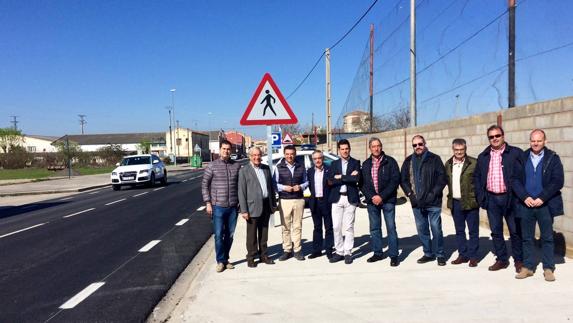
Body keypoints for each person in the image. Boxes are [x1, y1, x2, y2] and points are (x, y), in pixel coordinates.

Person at [512, 129, 564, 282]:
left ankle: (548, 268)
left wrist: (542, 197)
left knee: (547, 238)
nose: (535, 143)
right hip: (526, 205)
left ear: (545, 141)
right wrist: (524, 196)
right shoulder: (522, 157)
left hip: (545, 205)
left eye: (539, 140)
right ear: (530, 141)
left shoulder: (553, 158)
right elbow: (514, 180)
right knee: (527, 238)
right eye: (533, 140)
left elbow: (557, 180)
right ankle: (528, 267)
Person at [474, 125, 524, 272]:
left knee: (515, 231)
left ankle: (519, 260)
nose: (495, 139)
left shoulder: (515, 153)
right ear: (488, 138)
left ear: (503, 136)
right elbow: (477, 178)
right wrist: (481, 197)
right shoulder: (483, 156)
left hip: (511, 199)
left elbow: (523, 176)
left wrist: (520, 197)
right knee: (496, 231)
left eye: (497, 136)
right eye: (491, 137)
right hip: (492, 199)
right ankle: (502, 259)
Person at [401, 135, 447, 266]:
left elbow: (442, 178)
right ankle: (428, 253)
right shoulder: (408, 161)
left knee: (436, 228)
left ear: (425, 143)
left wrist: (433, 194)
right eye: (414, 145)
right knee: (422, 229)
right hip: (416, 202)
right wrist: (410, 194)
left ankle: (440, 254)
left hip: (433, 202)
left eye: (420, 144)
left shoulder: (434, 159)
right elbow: (403, 179)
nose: (418, 147)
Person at [201, 139, 241, 273]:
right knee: (218, 235)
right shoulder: (212, 166)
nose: (226, 151)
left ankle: (225, 259)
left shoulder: (236, 166)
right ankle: (220, 261)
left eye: (228, 149)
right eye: (224, 149)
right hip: (217, 206)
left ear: (231, 151)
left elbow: (240, 186)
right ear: (220, 150)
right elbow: (205, 185)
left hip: (233, 207)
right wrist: (208, 203)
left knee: (230, 235)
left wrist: (240, 203)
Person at [360, 137, 401, 267]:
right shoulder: (366, 164)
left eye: (378, 146)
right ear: (370, 148)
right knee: (375, 228)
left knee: (391, 228)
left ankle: (393, 255)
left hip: (387, 200)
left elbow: (395, 181)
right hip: (372, 202)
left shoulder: (390, 161)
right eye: (373, 146)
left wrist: (381, 196)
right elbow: (362, 184)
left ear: (381, 146)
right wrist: (372, 196)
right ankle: (378, 253)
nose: (376, 148)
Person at [238, 147, 277, 268]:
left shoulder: (265, 168)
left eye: (259, 155)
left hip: (266, 204)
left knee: (264, 233)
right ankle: (251, 257)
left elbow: (270, 187)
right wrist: (243, 210)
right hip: (252, 207)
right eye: (254, 155)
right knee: (252, 235)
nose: (257, 157)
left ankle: (264, 255)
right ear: (250, 156)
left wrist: (273, 204)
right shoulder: (244, 171)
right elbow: (241, 191)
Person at [444, 138, 480, 267]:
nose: (459, 152)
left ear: (465, 149)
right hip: (456, 203)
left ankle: (473, 256)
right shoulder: (448, 164)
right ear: (453, 150)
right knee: (459, 231)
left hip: (471, 202)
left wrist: (478, 199)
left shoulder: (474, 163)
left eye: (461, 149)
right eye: (456, 150)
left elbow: (480, 183)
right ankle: (463, 255)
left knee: (473, 231)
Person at [328, 139, 361, 265]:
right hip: (337, 198)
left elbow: (356, 179)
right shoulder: (333, 164)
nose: (345, 151)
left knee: (349, 227)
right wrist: (348, 178)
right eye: (342, 149)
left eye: (346, 148)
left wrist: (340, 177)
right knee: (336, 226)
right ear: (338, 150)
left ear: (349, 149)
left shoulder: (355, 163)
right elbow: (330, 180)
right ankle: (339, 251)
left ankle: (348, 252)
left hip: (350, 198)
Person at [274, 145, 309, 261]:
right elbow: (274, 184)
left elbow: (306, 181)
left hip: (299, 200)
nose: (290, 156)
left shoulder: (301, 166)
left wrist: (301, 186)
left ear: (295, 154)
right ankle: (287, 250)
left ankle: (297, 250)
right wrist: (284, 188)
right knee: (285, 227)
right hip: (284, 200)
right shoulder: (279, 167)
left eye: (292, 154)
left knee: (297, 226)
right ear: (284, 155)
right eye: (287, 154)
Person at [307, 150, 334, 259]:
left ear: (323, 159)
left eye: (319, 158)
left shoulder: (329, 170)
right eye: (315, 159)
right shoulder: (309, 171)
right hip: (315, 202)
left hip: (326, 202)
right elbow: (310, 186)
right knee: (317, 227)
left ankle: (329, 250)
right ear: (312, 160)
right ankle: (317, 250)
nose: (317, 160)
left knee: (329, 227)